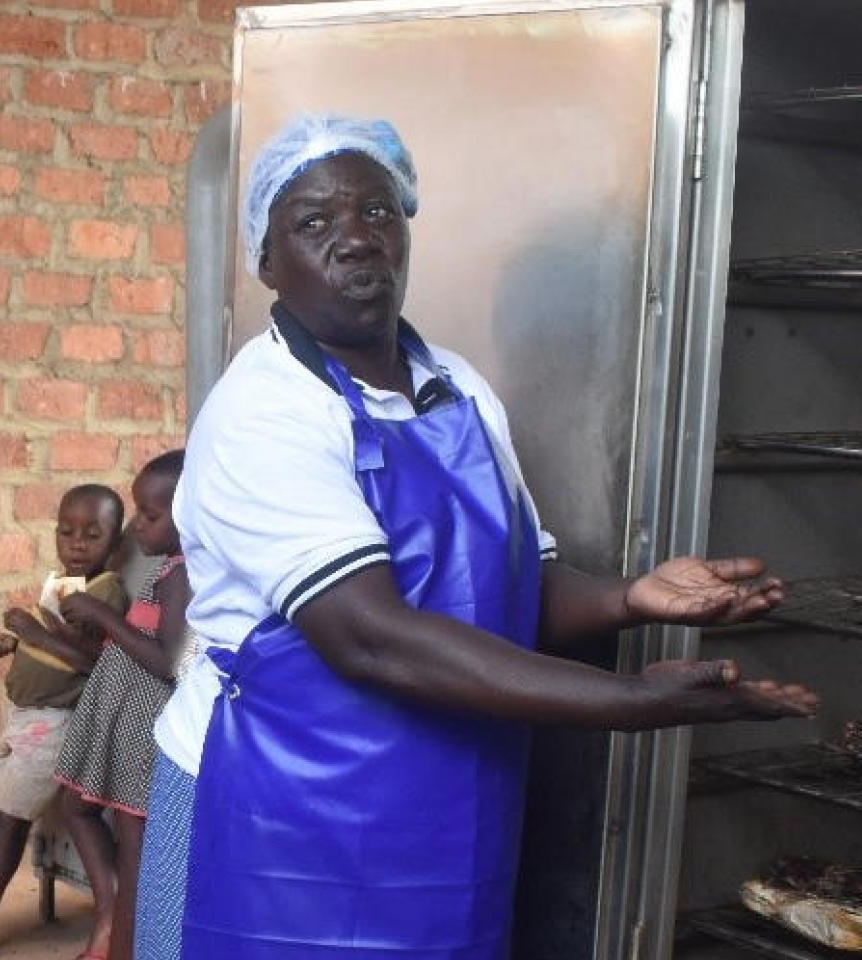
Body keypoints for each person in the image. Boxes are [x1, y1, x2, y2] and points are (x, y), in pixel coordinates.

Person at [134, 113, 822, 960]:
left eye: (377, 213)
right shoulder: (264, 411)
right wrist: (640, 702)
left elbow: (512, 590)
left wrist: (629, 598)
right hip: (273, 811)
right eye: (313, 223)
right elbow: (370, 640)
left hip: (440, 806)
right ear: (267, 262)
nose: (355, 241)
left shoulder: (456, 388)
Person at [0, 484, 131, 960]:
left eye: (92, 535)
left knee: (8, 820)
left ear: (115, 545)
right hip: (23, 718)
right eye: (67, 532)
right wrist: (15, 644)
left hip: (51, 727)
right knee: (1, 814)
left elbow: (94, 660)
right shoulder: (63, 585)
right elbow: (53, 641)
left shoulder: (105, 590)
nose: (76, 544)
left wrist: (32, 631)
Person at [52, 450, 191, 960]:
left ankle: (123, 944)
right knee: (77, 805)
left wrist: (101, 616)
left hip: (145, 729)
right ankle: (112, 920)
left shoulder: (183, 574)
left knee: (137, 855)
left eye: (148, 516)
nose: (135, 527)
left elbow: (168, 660)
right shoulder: (167, 568)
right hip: (122, 719)